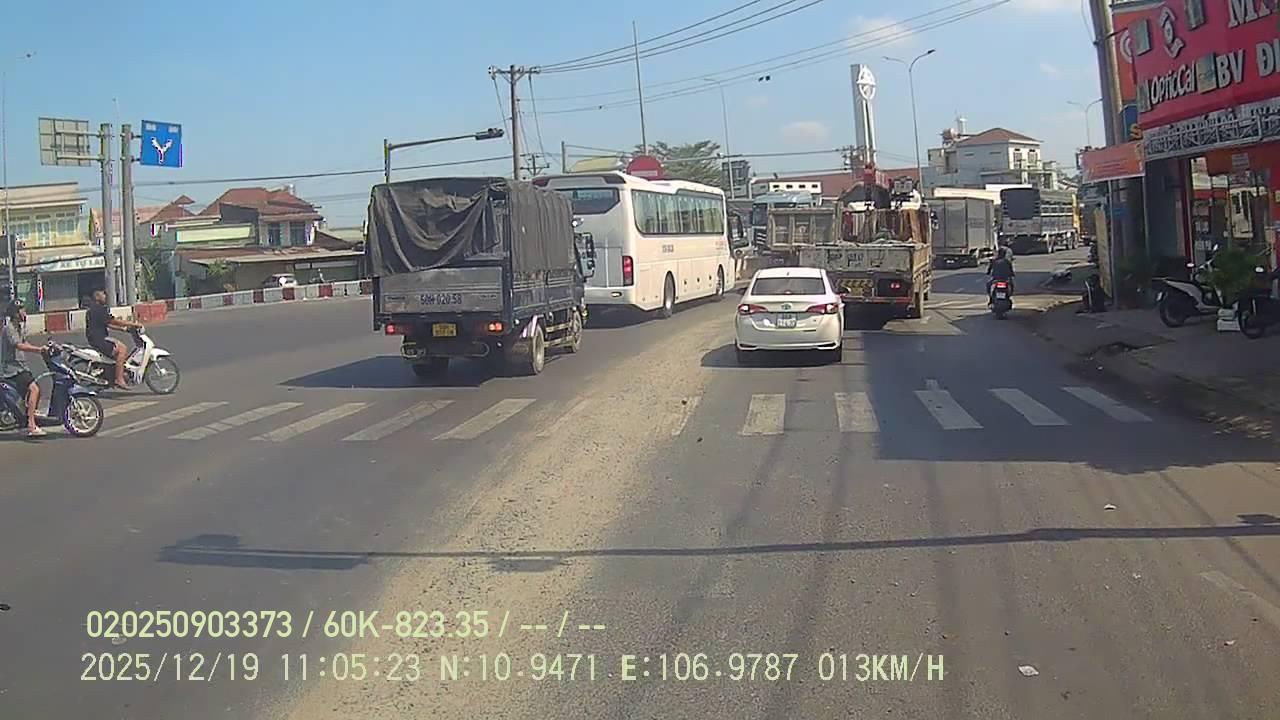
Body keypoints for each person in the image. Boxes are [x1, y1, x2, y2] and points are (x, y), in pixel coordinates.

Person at [2, 301, 46, 437]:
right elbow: (19, 345)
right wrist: (38, 350)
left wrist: (42, 348)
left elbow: (24, 342)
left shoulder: (19, 327)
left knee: (37, 389)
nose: (25, 313)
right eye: (22, 310)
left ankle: (28, 415)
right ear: (16, 314)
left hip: (20, 366)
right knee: (34, 389)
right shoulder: (9, 328)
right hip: (12, 368)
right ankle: (31, 425)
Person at [86, 288, 144, 390]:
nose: (105, 296)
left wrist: (124, 329)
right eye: (103, 294)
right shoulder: (99, 309)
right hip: (99, 339)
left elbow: (108, 323)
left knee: (118, 349)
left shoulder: (94, 308)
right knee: (122, 349)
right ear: (97, 296)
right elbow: (114, 321)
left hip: (96, 338)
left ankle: (114, 372)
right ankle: (119, 379)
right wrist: (133, 324)